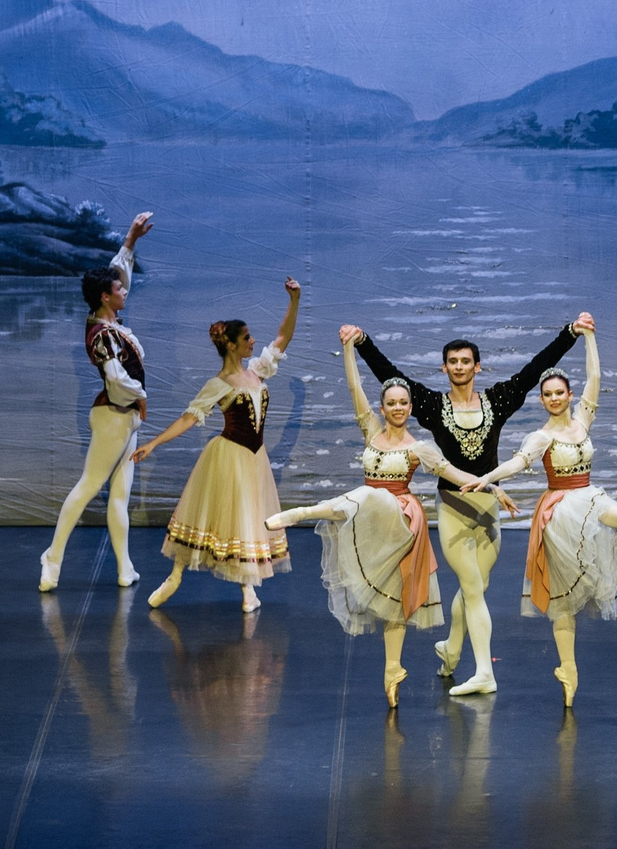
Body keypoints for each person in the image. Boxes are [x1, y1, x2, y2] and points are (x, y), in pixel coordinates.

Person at [269, 327, 510, 710]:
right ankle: (397, 668)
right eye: (391, 403)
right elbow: (354, 390)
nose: (398, 408)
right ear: (382, 408)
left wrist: (491, 486)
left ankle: (392, 667)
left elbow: (453, 473)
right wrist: (349, 349)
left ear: (410, 408)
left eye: (403, 403)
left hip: (400, 516)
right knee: (380, 587)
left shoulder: (420, 447)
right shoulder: (371, 431)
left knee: (395, 595)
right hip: (371, 517)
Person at [354, 316, 583, 696]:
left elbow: (533, 371)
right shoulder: (430, 404)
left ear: (477, 366)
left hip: (488, 507)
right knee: (473, 587)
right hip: (452, 505)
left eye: (466, 361)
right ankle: (483, 673)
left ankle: (452, 647)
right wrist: (362, 340)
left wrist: (570, 334)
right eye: (453, 362)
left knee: (479, 585)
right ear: (444, 368)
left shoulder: (497, 400)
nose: (459, 367)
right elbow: (387, 373)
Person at [472, 318, 617, 707]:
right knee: (562, 599)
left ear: (569, 395)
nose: (553, 398)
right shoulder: (542, 436)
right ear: (542, 400)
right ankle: (568, 668)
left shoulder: (583, 420)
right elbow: (518, 463)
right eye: (547, 394)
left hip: (587, 495)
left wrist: (589, 338)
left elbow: (595, 376)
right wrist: (486, 479)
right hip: (560, 510)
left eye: (559, 393)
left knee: (604, 509)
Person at [131, 278, 303, 614]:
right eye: (248, 338)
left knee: (247, 520)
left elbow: (283, 338)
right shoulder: (218, 385)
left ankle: (248, 590)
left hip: (255, 458)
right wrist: (153, 443)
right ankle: (176, 575)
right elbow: (187, 419)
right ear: (233, 346)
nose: (254, 342)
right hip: (229, 457)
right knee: (212, 518)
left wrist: (294, 301)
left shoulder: (257, 372)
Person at [41, 211, 157, 593]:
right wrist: (139, 398)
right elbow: (116, 378)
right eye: (119, 289)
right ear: (106, 297)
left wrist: (130, 240)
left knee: (120, 495)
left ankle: (124, 567)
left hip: (124, 418)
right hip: (113, 415)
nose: (126, 289)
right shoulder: (101, 334)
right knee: (89, 485)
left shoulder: (109, 321)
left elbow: (114, 272)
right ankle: (53, 557)